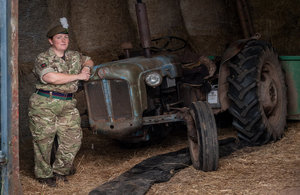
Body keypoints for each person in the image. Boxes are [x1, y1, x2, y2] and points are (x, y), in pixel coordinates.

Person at [28, 17, 94, 187]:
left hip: (68, 104)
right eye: (59, 37)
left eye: (66, 38)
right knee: (43, 141)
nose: (63, 40)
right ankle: (44, 175)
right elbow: (50, 77)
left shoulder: (73, 55)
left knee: (73, 139)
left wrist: (86, 67)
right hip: (45, 103)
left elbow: (88, 59)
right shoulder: (43, 58)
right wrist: (79, 76)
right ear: (51, 41)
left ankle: (60, 171)